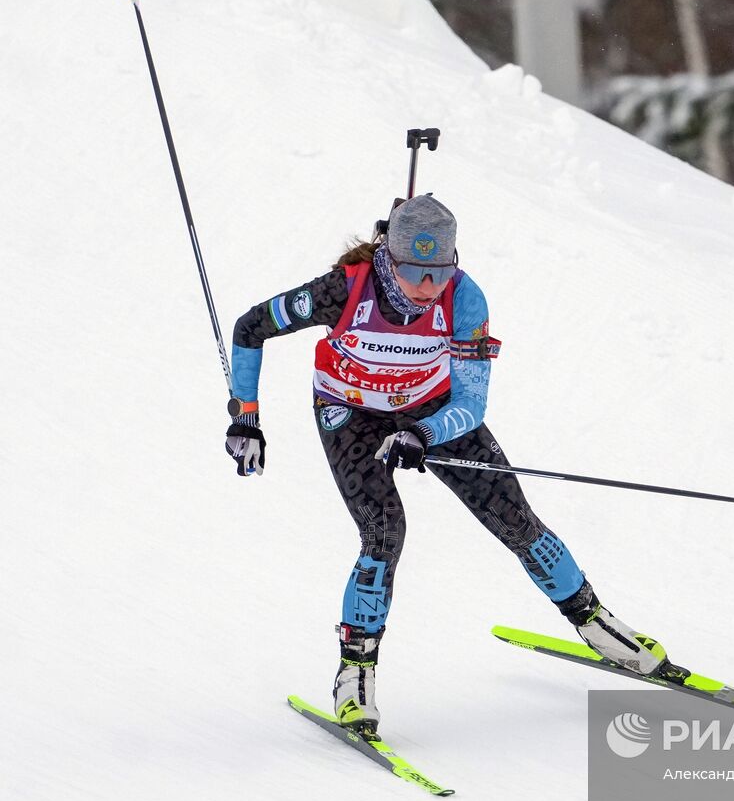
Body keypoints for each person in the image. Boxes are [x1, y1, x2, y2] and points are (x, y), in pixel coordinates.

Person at [224, 194, 686, 736]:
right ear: (389, 258)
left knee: (516, 520)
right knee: (383, 533)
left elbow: (471, 402)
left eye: (439, 272)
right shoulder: (342, 290)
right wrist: (246, 418)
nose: (428, 286)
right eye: (415, 272)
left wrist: (422, 433)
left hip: (433, 411)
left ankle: (597, 625)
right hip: (350, 412)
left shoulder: (465, 299)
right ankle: (354, 676)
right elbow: (250, 327)